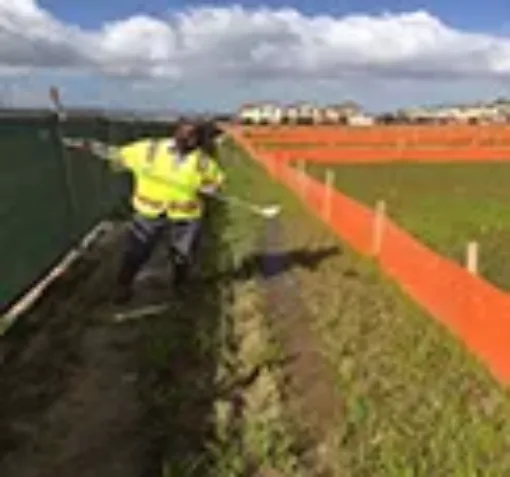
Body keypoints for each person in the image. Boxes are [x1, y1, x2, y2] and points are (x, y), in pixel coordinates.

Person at [102, 119, 225, 304]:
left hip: (186, 216)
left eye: (196, 137)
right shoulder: (149, 150)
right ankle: (123, 286)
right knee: (137, 251)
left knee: (183, 254)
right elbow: (119, 158)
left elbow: (218, 180)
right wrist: (117, 159)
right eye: (187, 134)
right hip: (149, 212)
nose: (191, 140)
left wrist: (211, 187)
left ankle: (180, 288)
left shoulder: (202, 161)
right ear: (176, 132)